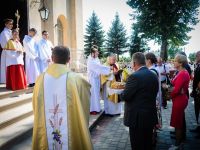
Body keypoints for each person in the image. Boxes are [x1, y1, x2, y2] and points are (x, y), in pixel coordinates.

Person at [32, 46, 93, 150]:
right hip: (72, 132)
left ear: (51, 58)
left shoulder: (40, 79)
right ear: (69, 59)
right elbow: (84, 103)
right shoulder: (77, 79)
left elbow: (36, 104)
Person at [121, 52, 159, 150]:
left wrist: (121, 93)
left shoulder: (134, 76)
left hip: (137, 119)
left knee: (137, 145)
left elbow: (126, 96)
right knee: (147, 144)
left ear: (134, 63)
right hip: (149, 116)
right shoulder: (153, 75)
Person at [169, 54, 190, 149]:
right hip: (178, 99)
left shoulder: (183, 73)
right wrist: (171, 87)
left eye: (175, 61)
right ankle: (179, 142)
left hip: (180, 100)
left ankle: (177, 144)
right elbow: (174, 85)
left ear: (180, 63)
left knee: (178, 123)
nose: (173, 62)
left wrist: (169, 93)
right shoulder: (180, 72)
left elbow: (176, 90)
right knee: (178, 121)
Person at [87, 46, 111, 115]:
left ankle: (97, 108)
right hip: (92, 79)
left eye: (97, 51)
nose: (98, 53)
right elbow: (99, 67)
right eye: (96, 51)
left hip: (97, 79)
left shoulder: (96, 58)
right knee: (94, 94)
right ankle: (93, 109)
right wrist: (108, 68)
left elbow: (99, 66)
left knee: (97, 94)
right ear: (93, 53)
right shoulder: (90, 60)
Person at [190, 51, 200, 138]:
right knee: (197, 110)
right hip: (196, 92)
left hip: (199, 92)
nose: (196, 57)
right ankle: (198, 127)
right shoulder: (198, 65)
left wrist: (196, 90)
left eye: (197, 55)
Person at [0, 19, 13, 83]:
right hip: (6, 51)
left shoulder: (11, 32)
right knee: (6, 67)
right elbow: (8, 42)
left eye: (11, 24)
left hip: (11, 52)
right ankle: (5, 81)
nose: (11, 25)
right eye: (9, 24)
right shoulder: (4, 33)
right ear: (6, 24)